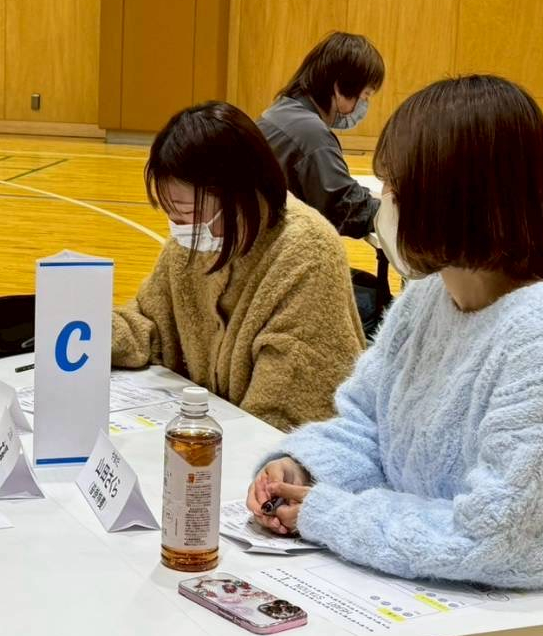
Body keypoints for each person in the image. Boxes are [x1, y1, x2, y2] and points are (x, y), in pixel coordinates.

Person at [241, 75, 543, 636]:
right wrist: (302, 469)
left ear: (454, 198)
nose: (383, 205)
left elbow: (510, 540)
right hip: (427, 620)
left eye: (395, 189)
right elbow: (364, 423)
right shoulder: (429, 300)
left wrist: (328, 513)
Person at [113, 101, 365, 432]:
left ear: (239, 195)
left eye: (187, 214)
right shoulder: (192, 245)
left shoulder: (307, 253)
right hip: (220, 434)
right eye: (171, 215)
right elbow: (150, 325)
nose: (179, 228)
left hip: (281, 450)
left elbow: (286, 413)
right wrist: (89, 332)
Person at [257, 32, 388, 335]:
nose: (364, 105)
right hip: (277, 274)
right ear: (340, 87)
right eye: (365, 96)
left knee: (367, 285)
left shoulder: (282, 111)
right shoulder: (311, 134)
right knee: (380, 307)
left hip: (267, 262)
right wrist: (396, 207)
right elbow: (348, 210)